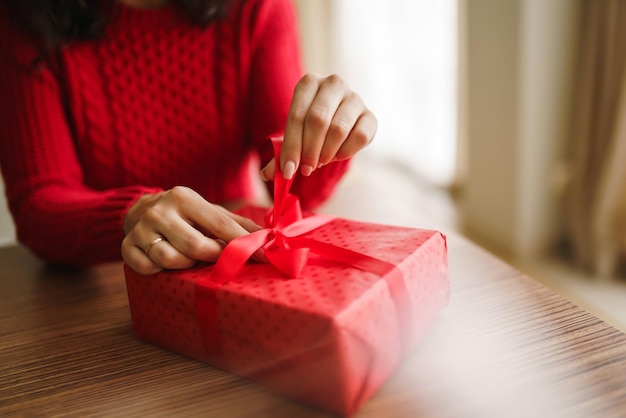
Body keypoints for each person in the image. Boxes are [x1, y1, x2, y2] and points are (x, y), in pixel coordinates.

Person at [0, 0, 377, 275]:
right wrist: (129, 216)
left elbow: (298, 186)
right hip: (107, 292)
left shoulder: (255, 7)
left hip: (234, 281)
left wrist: (330, 139)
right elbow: (39, 204)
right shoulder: (27, 18)